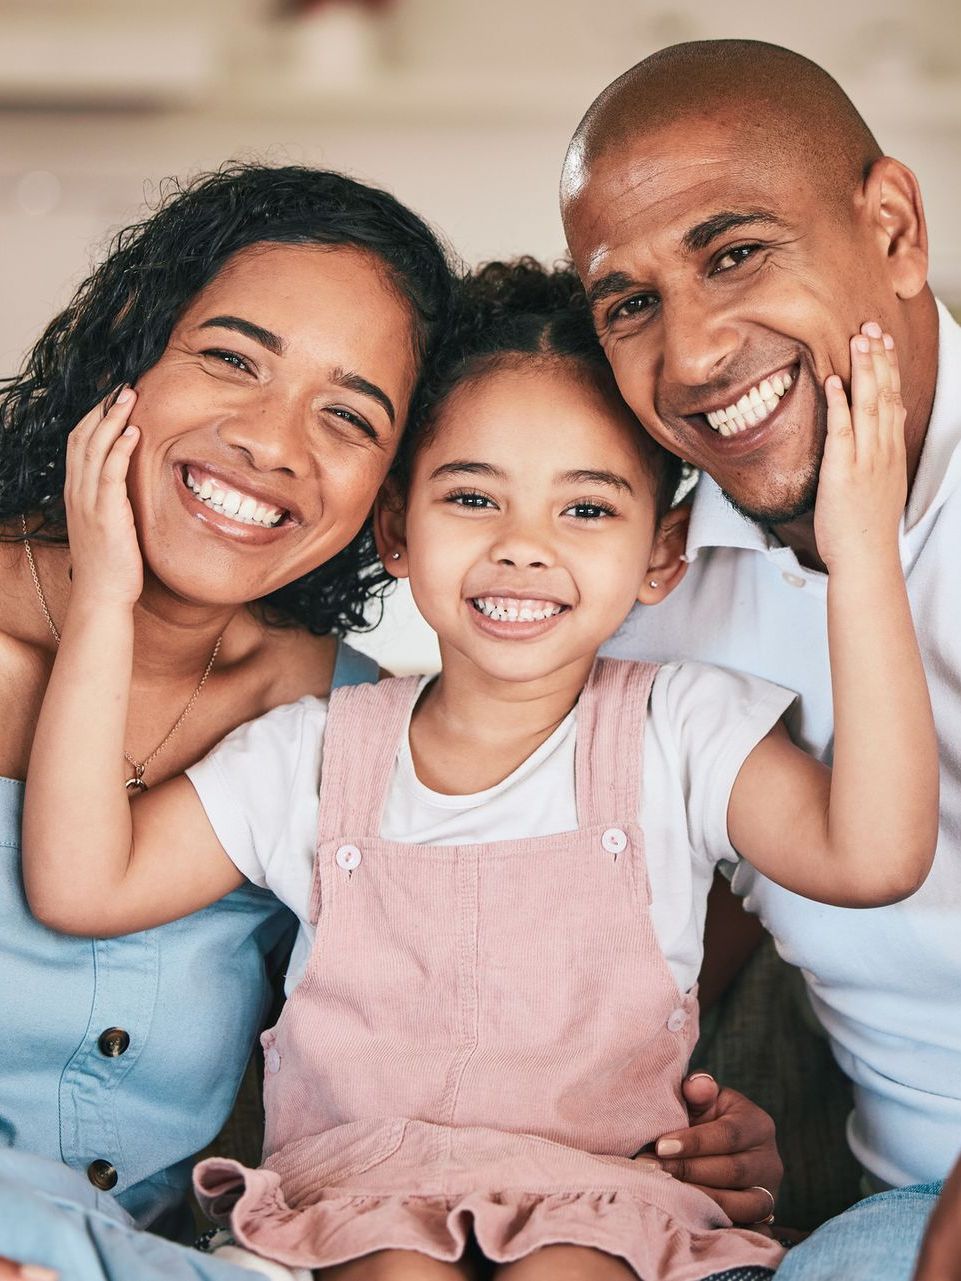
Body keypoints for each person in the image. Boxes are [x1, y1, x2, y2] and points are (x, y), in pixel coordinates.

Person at [20, 258, 936, 1281]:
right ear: (396, 529)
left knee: (571, 1267)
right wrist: (107, 596)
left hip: (602, 1202)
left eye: (585, 510)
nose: (523, 548)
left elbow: (874, 857)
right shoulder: (314, 752)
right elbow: (82, 883)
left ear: (660, 552)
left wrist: (863, 560)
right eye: (471, 497)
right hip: (357, 1202)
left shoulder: (680, 730)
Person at [0, 161, 453, 1281]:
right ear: (125, 345)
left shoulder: (353, 729)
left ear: (389, 488)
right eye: (232, 360)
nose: (273, 441)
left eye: (349, 416)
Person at [559, 36, 961, 1280]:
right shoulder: (656, 592)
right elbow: (668, 896)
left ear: (892, 229)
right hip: (897, 1208)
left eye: (733, 253)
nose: (687, 359)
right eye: (629, 303)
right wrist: (679, 1108)